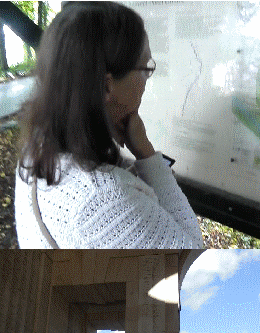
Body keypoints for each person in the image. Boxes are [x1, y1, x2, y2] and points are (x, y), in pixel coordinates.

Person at [15, 2, 203, 249]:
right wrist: (147, 154)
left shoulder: (38, 150)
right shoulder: (103, 200)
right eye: (145, 68)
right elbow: (190, 258)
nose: (147, 80)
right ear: (106, 86)